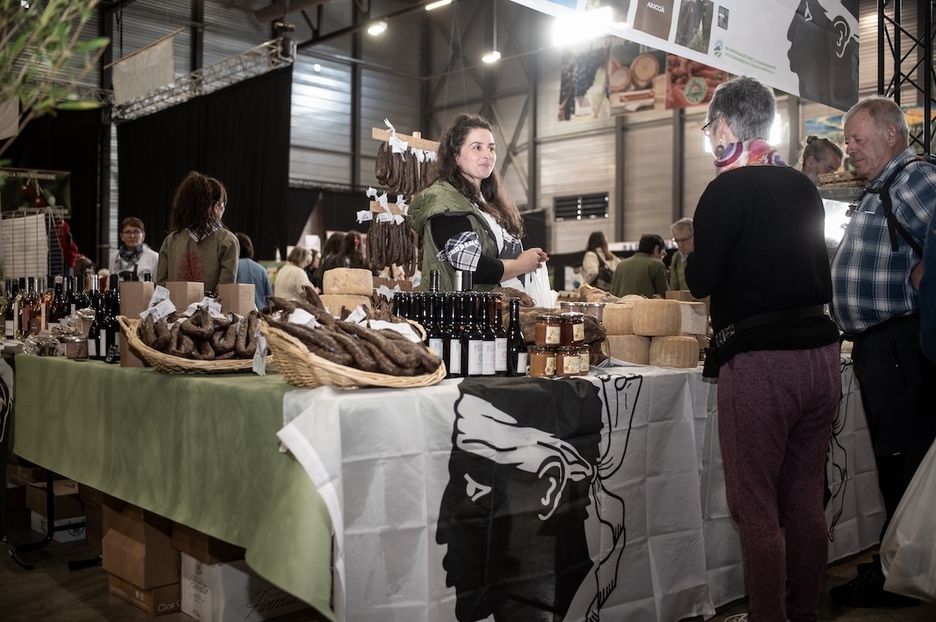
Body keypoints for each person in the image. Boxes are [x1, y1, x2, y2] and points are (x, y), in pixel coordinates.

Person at [685, 76, 841, 622]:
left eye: (709, 128)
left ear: (726, 125)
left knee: (754, 506)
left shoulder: (724, 191)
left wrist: (689, 257)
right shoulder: (802, 185)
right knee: (802, 494)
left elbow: (702, 280)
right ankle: (802, 614)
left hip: (761, 363)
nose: (709, 139)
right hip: (822, 356)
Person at [828, 95, 936, 608]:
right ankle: (902, 562)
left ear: (891, 134)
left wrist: (928, 276)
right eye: (847, 140)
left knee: (905, 460)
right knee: (895, 459)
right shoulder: (883, 185)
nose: (848, 149)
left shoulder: (913, 176)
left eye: (856, 137)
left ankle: (906, 575)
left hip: (900, 344)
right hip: (881, 346)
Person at [408, 113, 547, 293]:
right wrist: (521, 265)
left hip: (494, 310)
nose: (487, 155)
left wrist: (525, 257)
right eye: (477, 148)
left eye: (491, 148)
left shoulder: (485, 202)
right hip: (458, 315)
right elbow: (472, 266)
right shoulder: (445, 202)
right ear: (456, 155)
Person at [156, 171, 239, 293]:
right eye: (223, 204)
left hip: (174, 309)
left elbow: (161, 288)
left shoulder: (170, 240)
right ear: (216, 206)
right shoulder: (227, 241)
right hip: (210, 312)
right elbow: (224, 291)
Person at [609, 234, 667, 298]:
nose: (662, 257)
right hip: (645, 307)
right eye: (663, 253)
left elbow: (613, 292)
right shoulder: (657, 265)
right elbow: (664, 295)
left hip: (620, 306)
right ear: (656, 249)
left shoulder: (621, 265)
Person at [109, 217, 159, 281]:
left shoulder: (153, 256)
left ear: (143, 236)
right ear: (121, 236)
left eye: (136, 232)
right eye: (128, 232)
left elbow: (157, 285)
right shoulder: (114, 257)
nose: (132, 236)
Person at [234, 232, 273, 310]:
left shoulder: (232, 268)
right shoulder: (261, 269)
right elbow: (270, 298)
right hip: (261, 313)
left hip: (238, 313)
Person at [668, 218, 694, 290]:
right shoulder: (677, 257)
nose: (680, 245)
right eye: (676, 240)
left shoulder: (705, 256)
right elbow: (674, 286)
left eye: (684, 240)